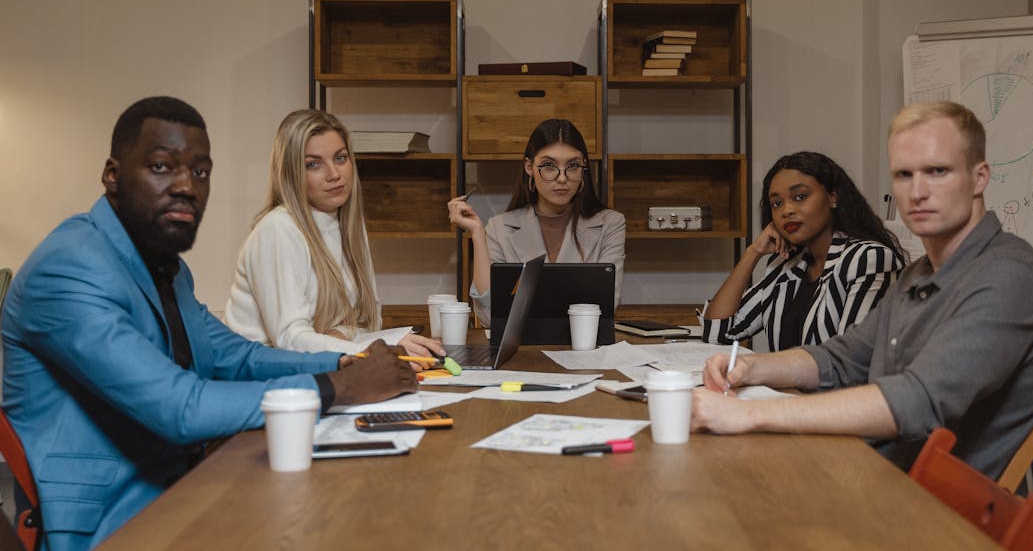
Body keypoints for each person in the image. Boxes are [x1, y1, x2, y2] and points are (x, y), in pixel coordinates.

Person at [1, 97, 420, 551]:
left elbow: (235, 355)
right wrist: (341, 387)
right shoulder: (70, 266)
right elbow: (179, 407)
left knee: (371, 514)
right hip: (110, 523)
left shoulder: (166, 268)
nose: (186, 186)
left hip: (185, 487)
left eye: (200, 172)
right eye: (162, 167)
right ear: (113, 175)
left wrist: (344, 360)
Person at [692, 102, 1033, 478]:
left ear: (980, 178)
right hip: (868, 470)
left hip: (925, 508)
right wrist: (751, 367)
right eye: (904, 175)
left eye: (937, 171)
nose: (917, 191)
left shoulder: (1008, 277)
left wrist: (749, 414)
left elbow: (917, 402)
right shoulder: (919, 275)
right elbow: (842, 357)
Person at [224, 109, 443, 357]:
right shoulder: (278, 229)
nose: (334, 174)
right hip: (260, 377)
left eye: (340, 158)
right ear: (291, 172)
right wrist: (367, 346)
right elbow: (291, 340)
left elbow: (368, 320)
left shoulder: (347, 223)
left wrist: (339, 336)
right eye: (313, 164)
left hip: (315, 368)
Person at [702, 152, 905, 350]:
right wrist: (753, 252)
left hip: (837, 385)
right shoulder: (786, 265)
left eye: (800, 196)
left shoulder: (868, 259)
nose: (787, 211)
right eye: (777, 203)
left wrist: (760, 368)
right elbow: (718, 333)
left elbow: (849, 359)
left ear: (833, 197)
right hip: (784, 384)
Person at [447, 118, 625, 327]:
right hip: (523, 353)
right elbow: (490, 317)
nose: (562, 177)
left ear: (583, 170)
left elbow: (606, 307)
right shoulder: (499, 227)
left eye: (573, 166)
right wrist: (477, 233)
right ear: (529, 167)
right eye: (549, 166)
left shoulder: (610, 223)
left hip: (584, 350)